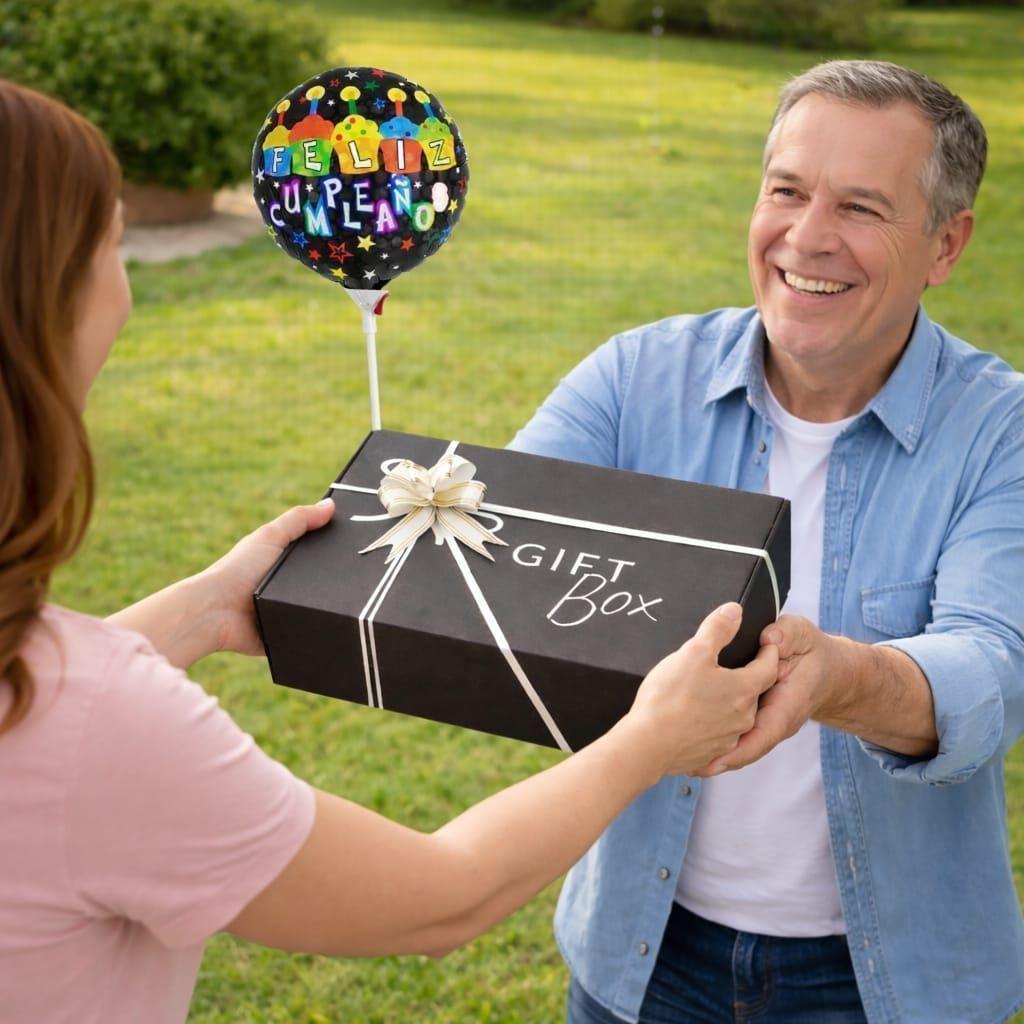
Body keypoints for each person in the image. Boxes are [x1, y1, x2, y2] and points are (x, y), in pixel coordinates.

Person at [0, 79, 780, 1023]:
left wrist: (205, 607)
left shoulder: (68, 698)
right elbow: (439, 896)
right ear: (48, 306)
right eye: (111, 241)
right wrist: (651, 738)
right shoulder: (106, 726)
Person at [511, 59, 1024, 1024]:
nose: (808, 237)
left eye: (862, 208)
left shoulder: (1004, 432)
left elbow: (993, 668)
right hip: (640, 951)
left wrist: (837, 678)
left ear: (945, 245)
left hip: (883, 985)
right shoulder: (636, 378)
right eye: (786, 190)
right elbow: (499, 536)